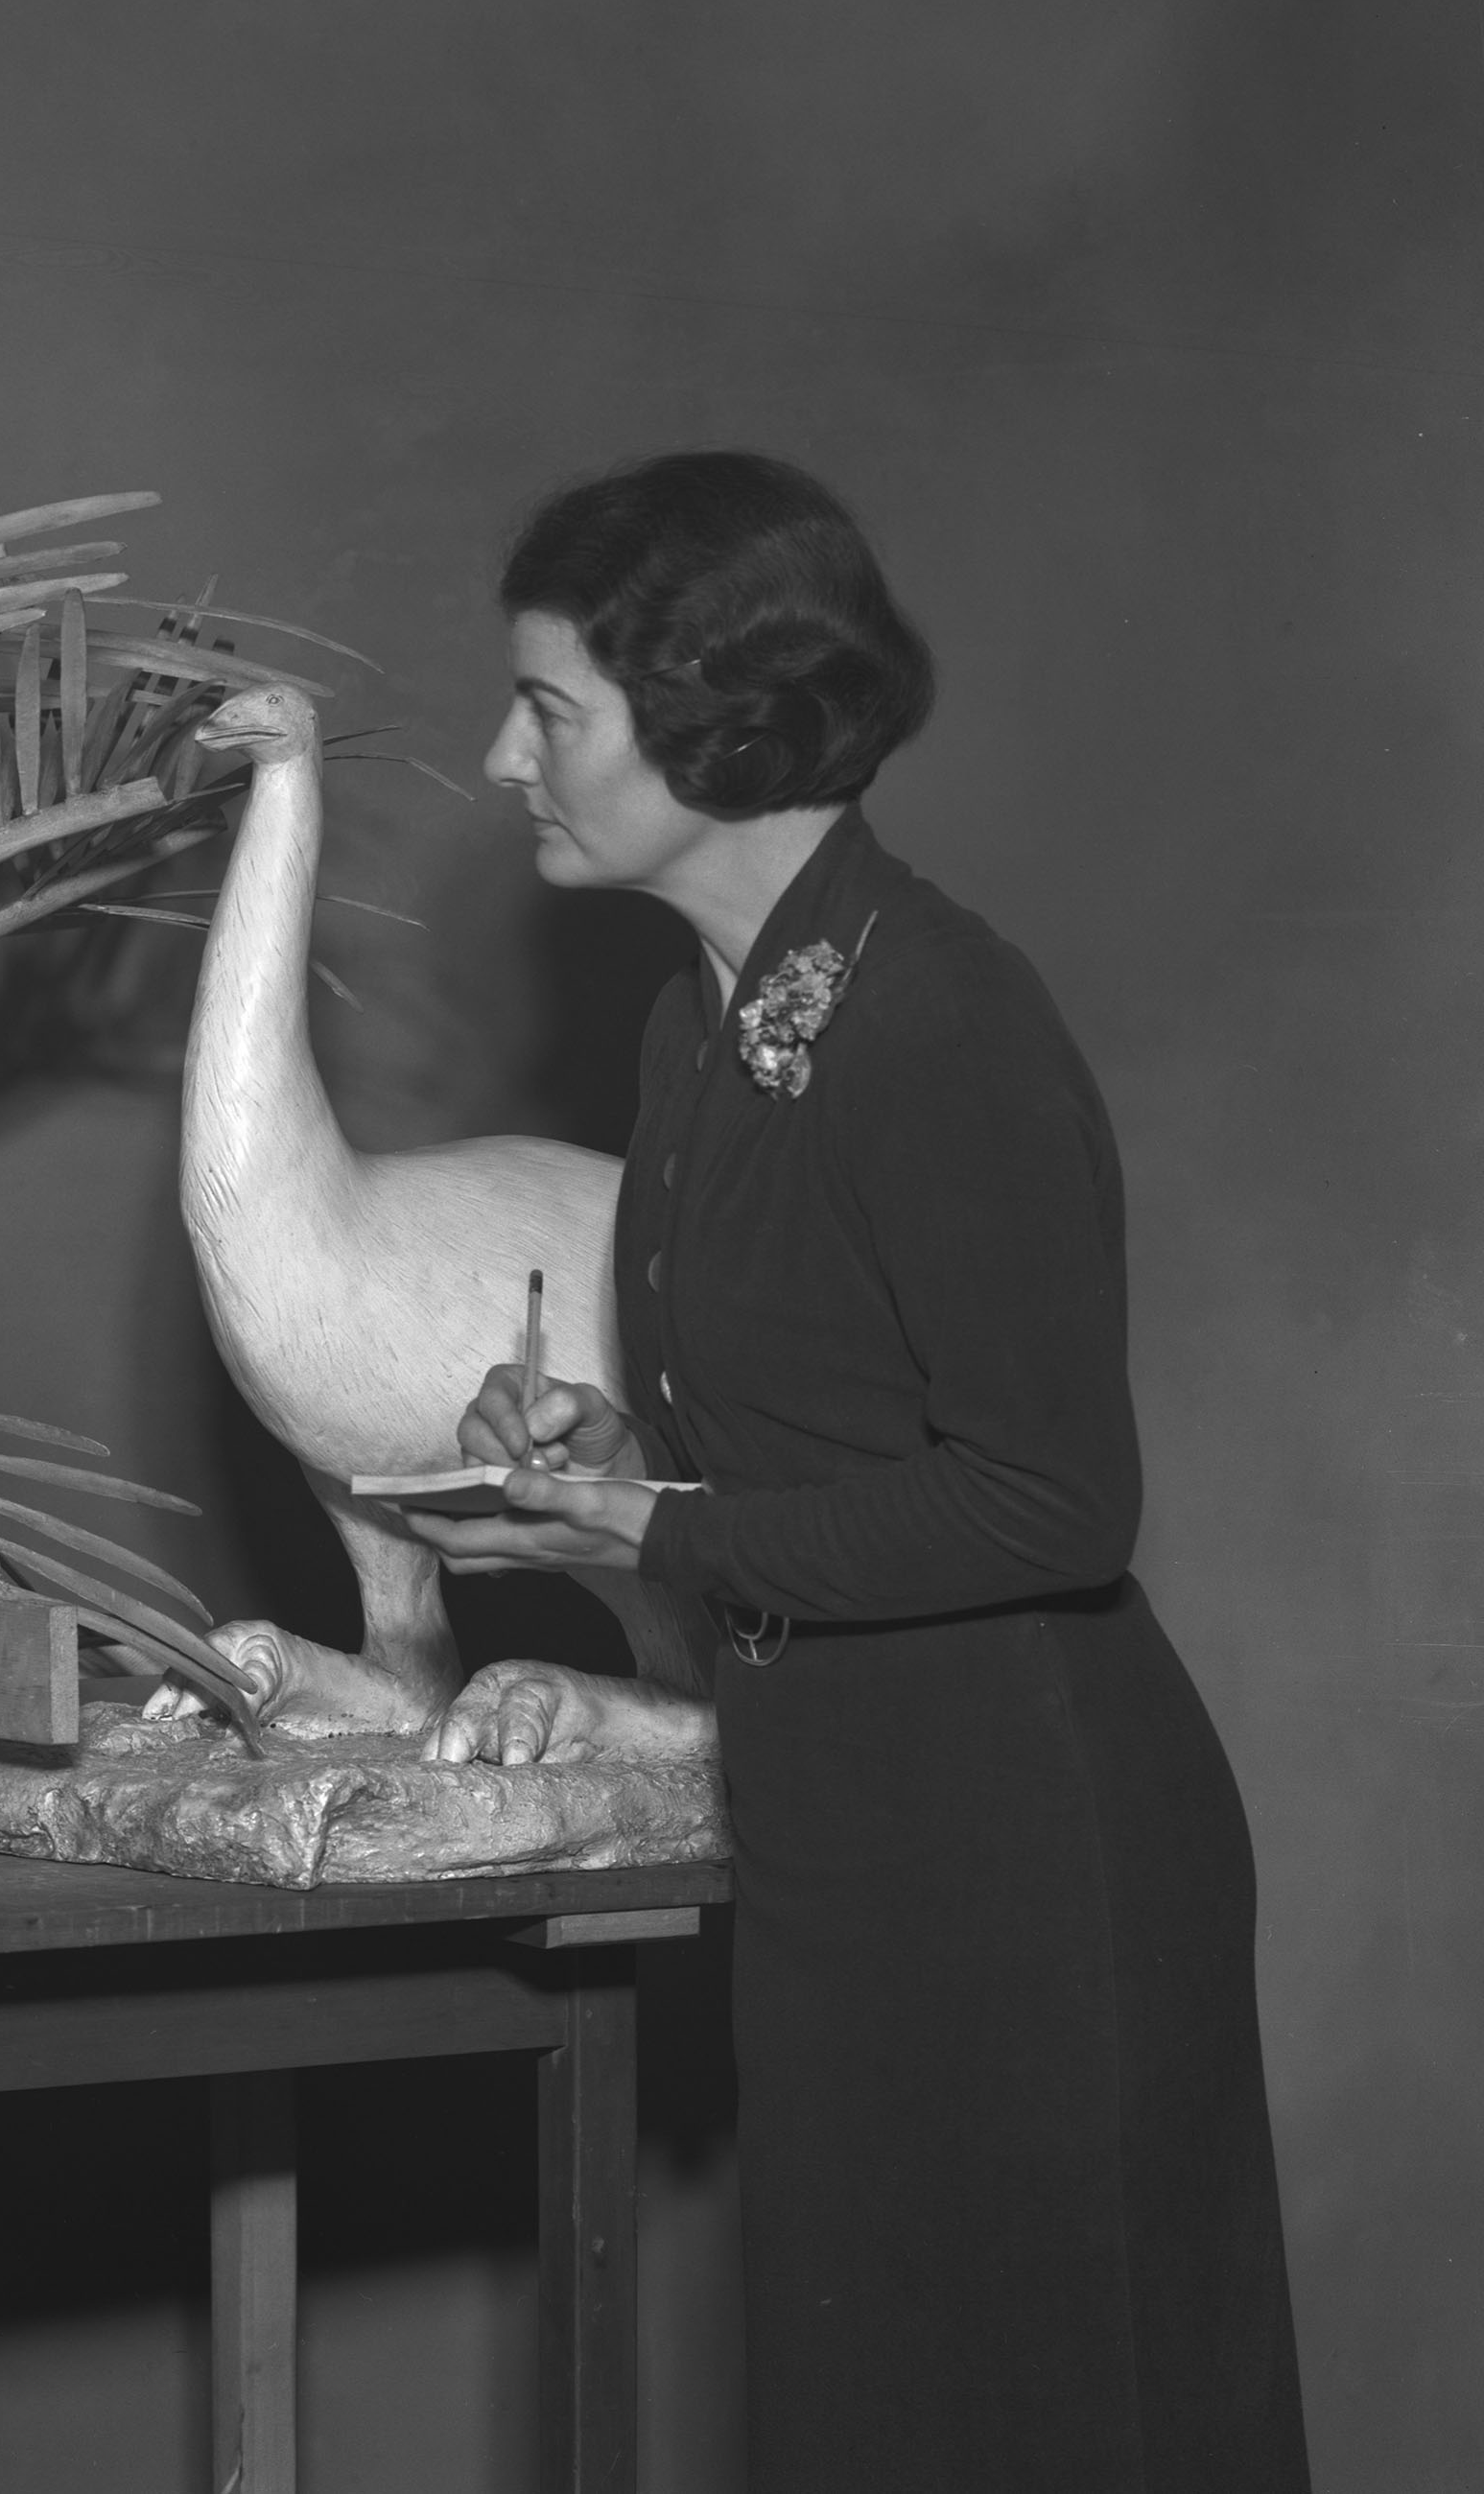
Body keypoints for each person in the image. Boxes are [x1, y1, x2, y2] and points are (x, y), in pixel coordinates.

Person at [402, 452, 1307, 2493]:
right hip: (844, 1837)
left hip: (1024, 1855)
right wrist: (619, 1447)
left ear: (712, 718)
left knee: (1055, 2429)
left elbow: (1049, 1499)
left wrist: (653, 1524)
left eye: (546, 709)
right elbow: (825, 1434)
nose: (498, 754)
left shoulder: (942, 1019)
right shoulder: (690, 1025)